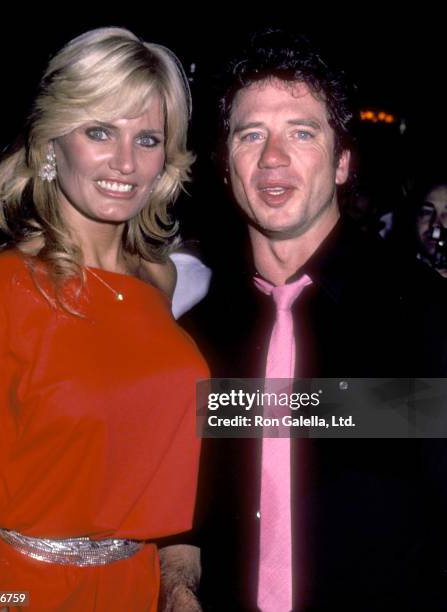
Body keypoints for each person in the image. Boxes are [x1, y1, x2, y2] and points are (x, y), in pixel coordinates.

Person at [178, 30, 447, 610]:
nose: (273, 158)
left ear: (343, 163)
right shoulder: (197, 338)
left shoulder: (425, 321)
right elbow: (193, 510)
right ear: (227, 167)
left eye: (301, 133)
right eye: (252, 135)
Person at [0, 27, 208, 611]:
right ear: (52, 142)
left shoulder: (159, 279)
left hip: (138, 586)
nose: (125, 161)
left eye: (147, 139)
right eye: (100, 131)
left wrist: (174, 577)